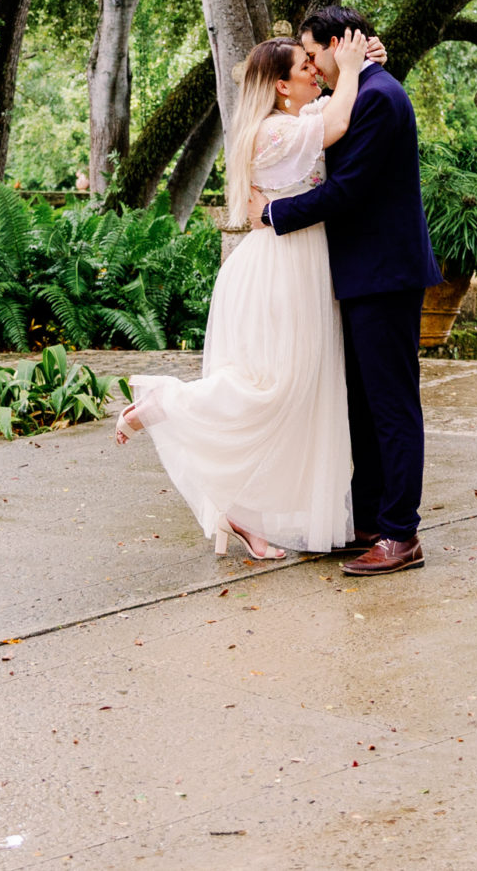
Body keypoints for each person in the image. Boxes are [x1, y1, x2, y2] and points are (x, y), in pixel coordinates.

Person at [114, 29, 375, 559]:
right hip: (280, 269)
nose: (315, 72)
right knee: (271, 387)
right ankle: (166, 402)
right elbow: (341, 118)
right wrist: (350, 70)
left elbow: (332, 104)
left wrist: (364, 59)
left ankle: (245, 515)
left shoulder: (293, 121)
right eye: (306, 68)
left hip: (301, 263)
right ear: (281, 85)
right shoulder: (273, 133)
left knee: (297, 396)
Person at [263, 6, 443, 578]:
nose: (310, 66)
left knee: (390, 405)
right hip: (362, 273)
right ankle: (368, 519)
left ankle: (400, 533)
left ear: (339, 44)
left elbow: (346, 191)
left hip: (386, 273)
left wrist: (273, 213)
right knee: (363, 405)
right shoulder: (359, 92)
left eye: (312, 53)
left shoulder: (378, 97)